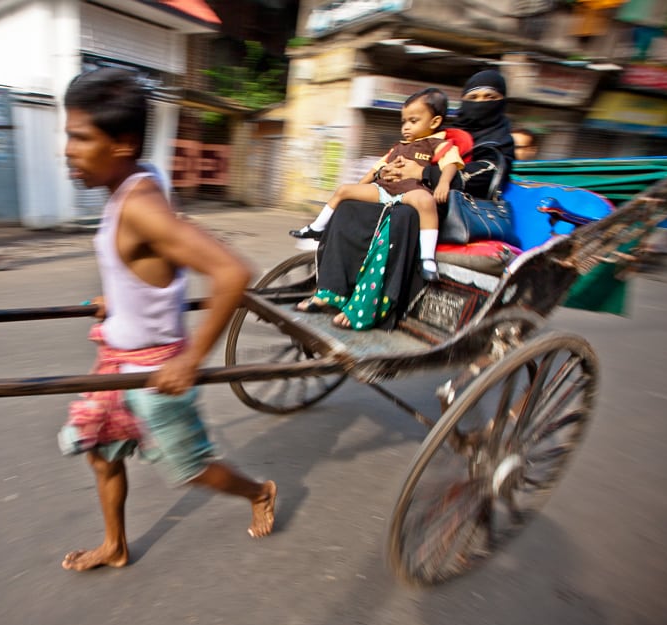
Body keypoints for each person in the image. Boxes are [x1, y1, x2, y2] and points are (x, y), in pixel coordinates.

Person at [59, 67, 277, 572]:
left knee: (191, 468)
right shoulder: (136, 179)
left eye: (80, 138)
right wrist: (120, 294)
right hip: (118, 355)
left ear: (122, 143)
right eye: (68, 136)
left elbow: (233, 271)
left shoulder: (141, 205)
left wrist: (192, 359)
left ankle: (259, 491)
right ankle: (115, 545)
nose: (68, 150)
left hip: (155, 364)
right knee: (102, 453)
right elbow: (153, 263)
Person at [299, 69, 515, 331]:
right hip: (403, 192)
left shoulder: (498, 144)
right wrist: (384, 172)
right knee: (349, 208)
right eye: (474, 96)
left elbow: (477, 178)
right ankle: (332, 290)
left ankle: (370, 305)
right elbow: (391, 163)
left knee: (401, 217)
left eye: (489, 96)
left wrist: (424, 173)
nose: (480, 103)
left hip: (444, 206)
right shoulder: (444, 133)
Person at [290, 88, 468, 283]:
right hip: (385, 190)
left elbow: (450, 164)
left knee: (426, 202)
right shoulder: (398, 147)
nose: (406, 127)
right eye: (404, 122)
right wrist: (358, 188)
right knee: (344, 191)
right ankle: (317, 227)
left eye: (413, 121)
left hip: (412, 191)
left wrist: (443, 183)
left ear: (434, 122)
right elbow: (375, 169)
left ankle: (427, 258)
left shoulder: (438, 144)